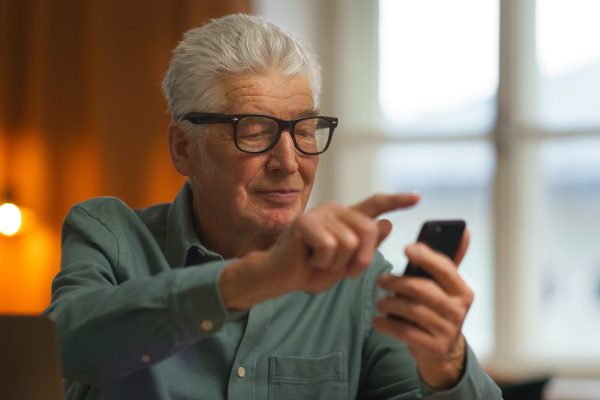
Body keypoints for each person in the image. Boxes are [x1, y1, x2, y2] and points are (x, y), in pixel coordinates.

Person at [44, 13, 502, 399]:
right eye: (255, 130)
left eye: (304, 129)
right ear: (184, 148)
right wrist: (260, 277)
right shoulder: (110, 235)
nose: (289, 162)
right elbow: (64, 348)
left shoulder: (358, 280)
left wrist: (446, 364)